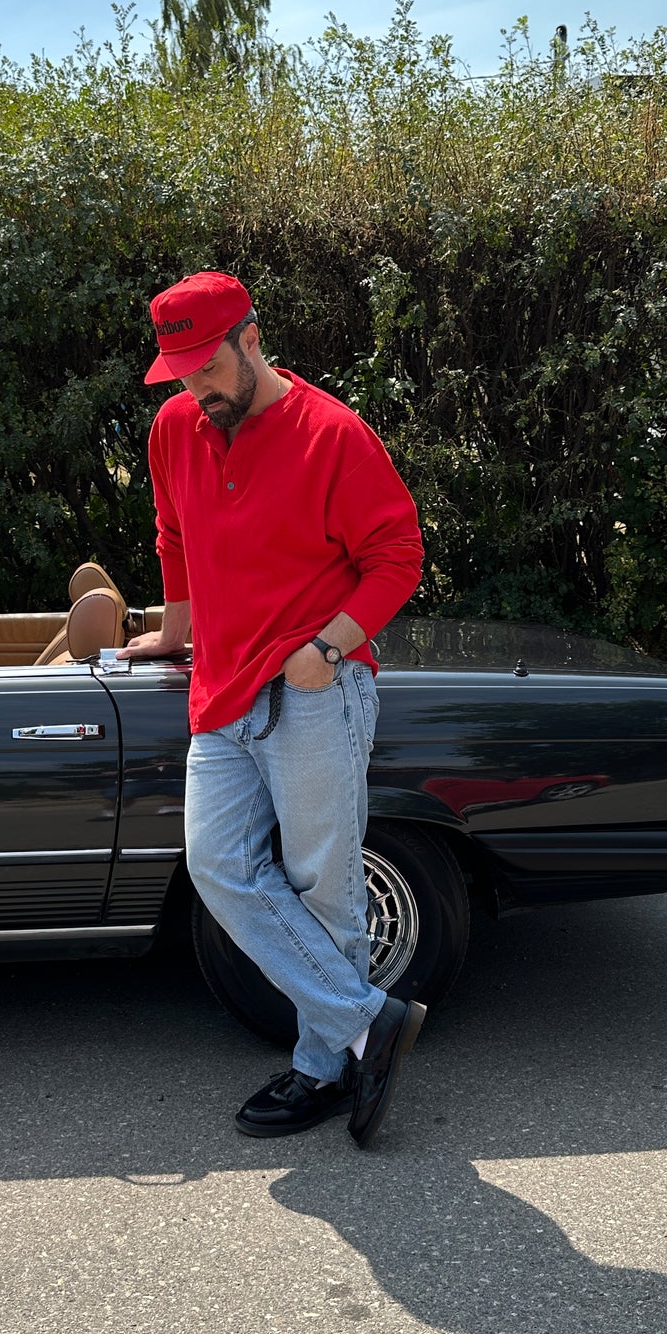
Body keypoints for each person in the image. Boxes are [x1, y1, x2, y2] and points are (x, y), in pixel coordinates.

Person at [118, 270, 427, 1146]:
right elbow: (173, 536)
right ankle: (371, 1024)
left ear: (250, 339)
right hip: (219, 693)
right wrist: (175, 632)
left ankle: (321, 1069)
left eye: (205, 366)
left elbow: (396, 557)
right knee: (218, 866)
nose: (194, 388)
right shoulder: (176, 426)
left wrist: (325, 650)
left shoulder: (333, 434)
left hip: (311, 692)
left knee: (324, 889)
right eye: (177, 372)